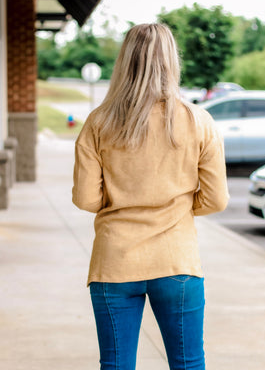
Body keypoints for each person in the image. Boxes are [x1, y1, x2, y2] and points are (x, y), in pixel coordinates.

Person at [72, 23, 229, 370]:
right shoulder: (198, 121)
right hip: (178, 262)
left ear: (124, 61)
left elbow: (86, 199)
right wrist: (178, 208)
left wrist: (117, 201)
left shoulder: (99, 122)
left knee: (115, 365)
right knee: (188, 363)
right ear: (171, 61)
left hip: (114, 261)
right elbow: (217, 199)